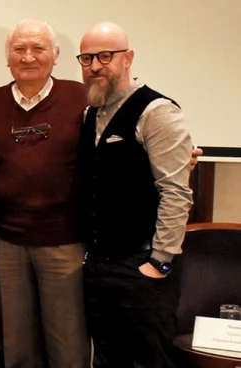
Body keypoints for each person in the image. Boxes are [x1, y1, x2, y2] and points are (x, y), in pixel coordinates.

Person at [0, 19, 90, 368]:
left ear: (55, 55)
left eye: (38, 48)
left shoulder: (81, 99)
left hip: (65, 243)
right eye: (19, 49)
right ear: (7, 58)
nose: (28, 57)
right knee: (19, 350)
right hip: (5, 244)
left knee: (69, 350)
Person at [76, 21, 193, 367]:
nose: (95, 65)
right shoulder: (89, 114)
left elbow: (176, 192)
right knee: (107, 358)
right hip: (99, 268)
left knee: (149, 361)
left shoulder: (157, 112)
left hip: (143, 267)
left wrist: (160, 262)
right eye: (86, 58)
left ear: (128, 58)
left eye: (105, 56)